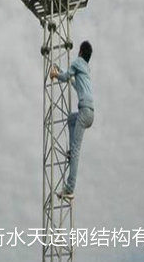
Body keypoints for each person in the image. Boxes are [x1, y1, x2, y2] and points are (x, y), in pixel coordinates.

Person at [50, 41, 94, 199]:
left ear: (80, 52)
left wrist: (56, 75)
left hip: (85, 111)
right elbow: (73, 82)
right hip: (89, 112)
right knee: (70, 119)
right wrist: (62, 73)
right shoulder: (86, 69)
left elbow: (66, 77)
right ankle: (71, 153)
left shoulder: (77, 62)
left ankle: (69, 188)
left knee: (76, 151)